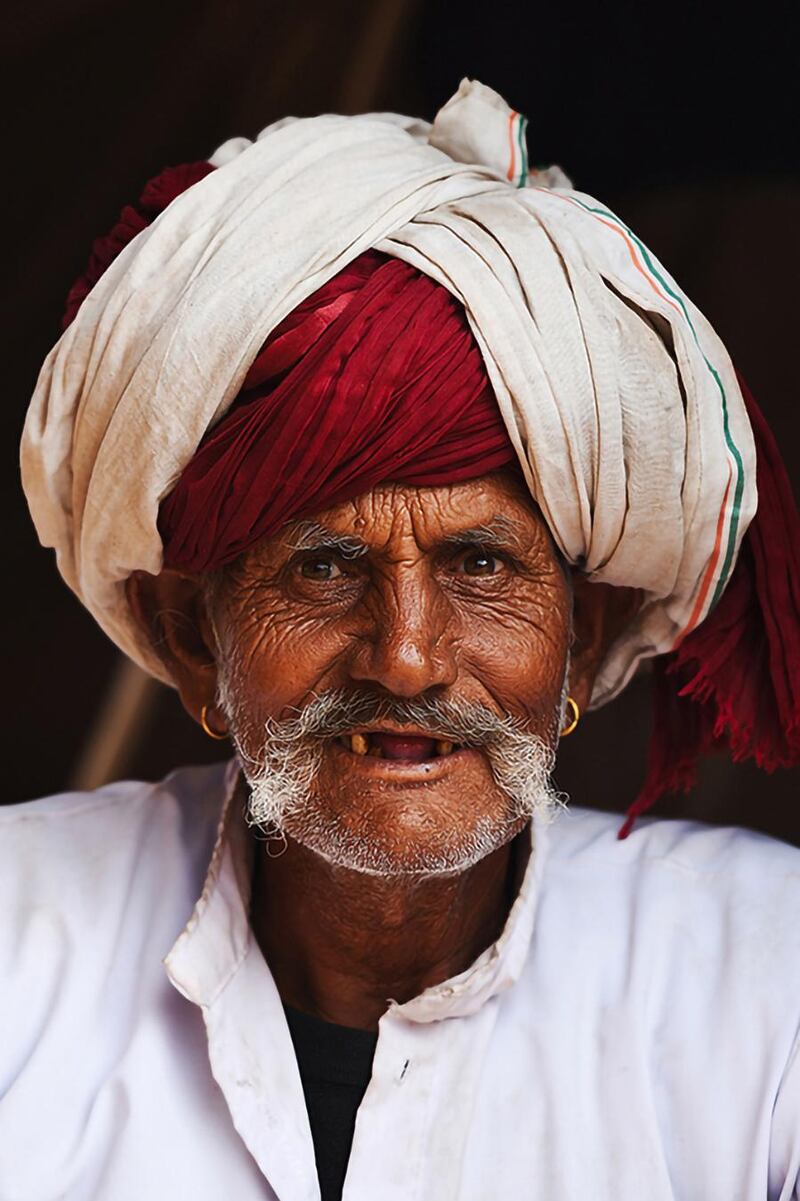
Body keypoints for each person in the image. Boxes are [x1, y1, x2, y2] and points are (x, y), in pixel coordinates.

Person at [6, 79, 799, 1199]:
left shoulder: (768, 980)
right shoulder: (18, 931)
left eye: (480, 566)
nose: (408, 657)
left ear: (584, 640)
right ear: (196, 643)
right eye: (324, 568)